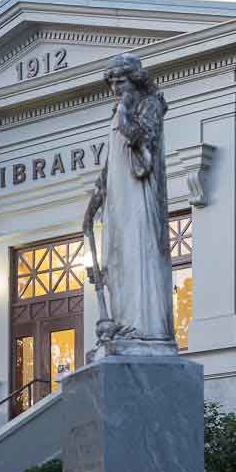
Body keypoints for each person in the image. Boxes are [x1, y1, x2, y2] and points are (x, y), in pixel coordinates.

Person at [83, 53, 175, 351]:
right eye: (110, 83)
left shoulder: (150, 105)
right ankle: (125, 323)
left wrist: (123, 113)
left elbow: (143, 144)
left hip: (139, 196)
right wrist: (93, 204)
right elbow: (111, 165)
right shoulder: (118, 109)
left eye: (120, 81)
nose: (115, 88)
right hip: (117, 199)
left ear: (134, 80)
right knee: (118, 258)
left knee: (139, 254)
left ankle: (146, 329)